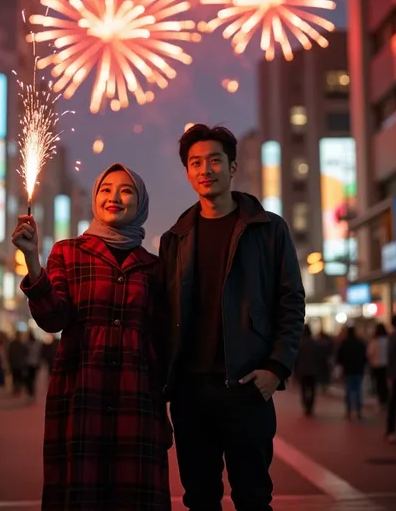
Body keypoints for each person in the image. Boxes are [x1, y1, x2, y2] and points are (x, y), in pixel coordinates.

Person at [158, 124, 305, 511]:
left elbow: (291, 302)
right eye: (195, 163)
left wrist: (276, 368)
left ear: (232, 166)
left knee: (254, 497)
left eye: (214, 160)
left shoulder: (268, 229)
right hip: (191, 393)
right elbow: (163, 312)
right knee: (200, 499)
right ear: (188, 173)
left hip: (247, 386)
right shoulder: (175, 237)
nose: (205, 169)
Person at [13, 163, 171, 511]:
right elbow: (53, 318)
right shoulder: (69, 252)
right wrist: (31, 259)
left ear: (141, 202)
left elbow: (163, 339)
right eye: (105, 189)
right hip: (82, 392)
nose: (114, 196)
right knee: (81, 495)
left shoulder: (155, 266)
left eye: (126, 190)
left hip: (138, 398)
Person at [337, 325, 366, 421]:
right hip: (358, 369)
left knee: (349, 390)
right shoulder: (360, 343)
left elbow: (339, 357)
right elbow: (364, 357)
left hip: (348, 370)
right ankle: (358, 410)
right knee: (358, 390)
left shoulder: (345, 344)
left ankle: (349, 410)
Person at [294, 324, 320, 417]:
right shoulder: (315, 343)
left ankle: (306, 405)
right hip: (313, 370)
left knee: (304, 388)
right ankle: (310, 406)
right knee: (312, 389)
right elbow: (319, 357)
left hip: (303, 370)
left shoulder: (300, 343)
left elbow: (296, 358)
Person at [386, 314, 396, 444]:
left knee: (393, 404)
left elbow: (390, 357)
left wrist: (389, 374)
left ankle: (391, 431)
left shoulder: (393, 336)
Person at [367, 322, 389, 409]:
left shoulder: (374, 341)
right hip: (386, 365)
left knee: (379, 383)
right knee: (385, 383)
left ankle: (381, 399)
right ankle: (385, 398)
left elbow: (369, 353)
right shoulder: (388, 340)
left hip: (376, 365)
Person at [7, 331, 27, 396]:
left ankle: (16, 389)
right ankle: (18, 389)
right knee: (19, 376)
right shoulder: (21, 343)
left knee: (15, 376)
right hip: (20, 363)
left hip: (14, 363)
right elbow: (25, 352)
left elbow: (9, 353)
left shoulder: (12, 343)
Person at [24, 330, 42, 400]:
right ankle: (31, 393)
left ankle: (31, 393)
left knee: (30, 379)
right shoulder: (36, 344)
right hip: (32, 363)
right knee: (31, 379)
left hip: (30, 363)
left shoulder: (27, 343)